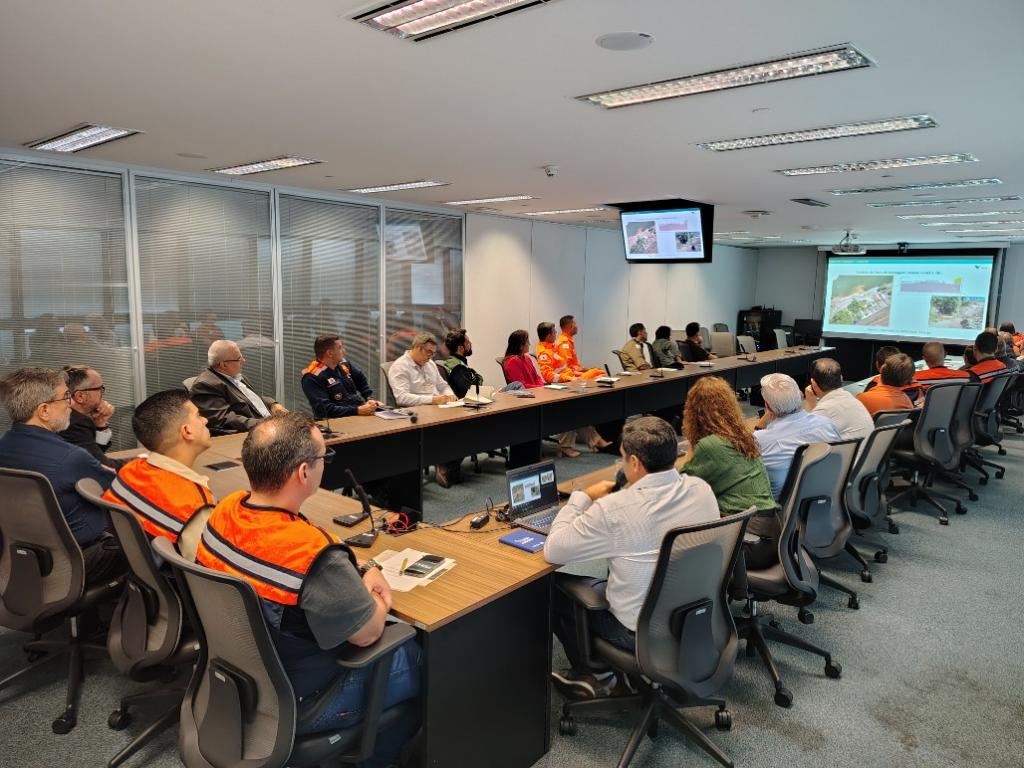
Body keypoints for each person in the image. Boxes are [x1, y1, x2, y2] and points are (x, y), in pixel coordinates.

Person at [195, 414, 421, 765]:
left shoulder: (226, 510)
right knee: (423, 652)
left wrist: (351, 567)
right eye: (323, 457)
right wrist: (376, 596)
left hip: (240, 682)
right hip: (308, 698)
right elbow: (368, 633)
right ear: (304, 472)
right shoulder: (312, 554)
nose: (325, 463)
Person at [544, 417, 718, 698]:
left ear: (635, 463)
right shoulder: (701, 490)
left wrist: (581, 497)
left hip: (637, 633)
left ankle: (598, 676)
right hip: (694, 619)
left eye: (623, 459)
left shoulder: (614, 510)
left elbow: (554, 549)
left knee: (550, 588)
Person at [0, 367, 124, 584]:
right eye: (66, 397)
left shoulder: (4, 447)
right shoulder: (70, 457)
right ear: (44, 411)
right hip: (75, 562)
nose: (70, 404)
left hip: (20, 561)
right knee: (146, 541)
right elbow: (120, 490)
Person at [680, 376, 779, 568]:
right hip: (769, 534)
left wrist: (691, 452)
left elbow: (680, 488)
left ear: (694, 412)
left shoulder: (710, 446)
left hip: (748, 543)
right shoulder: (743, 438)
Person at [103, 390, 215, 556]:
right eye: (198, 415)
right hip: (167, 570)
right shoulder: (195, 504)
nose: (205, 420)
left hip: (129, 563)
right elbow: (205, 564)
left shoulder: (130, 470)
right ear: (187, 431)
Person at [502, 330, 611, 458]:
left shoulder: (526, 358)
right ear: (520, 345)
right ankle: (570, 446)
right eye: (527, 342)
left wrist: (543, 387)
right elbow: (522, 386)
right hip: (529, 401)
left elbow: (537, 377)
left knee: (575, 408)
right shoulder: (512, 361)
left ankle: (593, 440)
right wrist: (542, 388)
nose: (529, 344)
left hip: (539, 394)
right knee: (568, 410)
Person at [388, 333, 460, 486]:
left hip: (438, 407)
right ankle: (443, 464)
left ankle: (446, 464)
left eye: (433, 353)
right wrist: (432, 400)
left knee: (464, 424)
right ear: (416, 347)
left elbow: (442, 385)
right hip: (417, 413)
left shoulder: (430, 364)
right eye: (428, 352)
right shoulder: (400, 367)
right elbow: (402, 398)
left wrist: (450, 395)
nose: (431, 356)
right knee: (450, 429)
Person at [754, 373, 841, 498]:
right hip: (826, 498)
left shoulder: (760, 440)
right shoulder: (826, 424)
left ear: (767, 406)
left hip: (780, 506)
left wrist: (762, 422)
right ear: (800, 395)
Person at [191, 340, 286, 434]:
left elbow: (251, 399)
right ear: (224, 365)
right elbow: (225, 419)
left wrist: (273, 404)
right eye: (239, 359)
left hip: (270, 424)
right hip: (255, 432)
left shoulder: (236, 376)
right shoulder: (205, 385)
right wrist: (268, 424)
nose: (243, 360)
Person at [301, 334, 382, 418]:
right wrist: (357, 410)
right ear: (330, 353)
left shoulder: (343, 364)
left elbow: (360, 380)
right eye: (340, 348)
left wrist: (369, 399)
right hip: (337, 420)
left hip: (358, 412)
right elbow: (324, 410)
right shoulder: (312, 377)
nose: (344, 350)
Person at [61, 365, 124, 469]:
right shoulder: (76, 423)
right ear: (80, 396)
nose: (103, 393)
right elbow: (101, 466)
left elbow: (93, 455)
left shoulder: (69, 417)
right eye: (100, 388)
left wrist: (100, 422)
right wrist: (140, 463)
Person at [802, 358, 874, 441]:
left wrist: (810, 404)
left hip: (848, 449)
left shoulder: (824, 410)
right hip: (868, 448)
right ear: (841, 379)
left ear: (813, 383)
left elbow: (804, 438)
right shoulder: (853, 400)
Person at [554, 315, 603, 380]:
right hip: (569, 377)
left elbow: (573, 365)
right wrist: (583, 374)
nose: (577, 326)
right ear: (570, 326)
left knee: (598, 371)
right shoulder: (564, 343)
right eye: (575, 324)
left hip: (574, 373)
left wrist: (585, 370)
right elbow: (566, 369)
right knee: (599, 373)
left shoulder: (567, 340)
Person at [440, 328, 483, 399]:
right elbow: (469, 394)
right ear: (460, 348)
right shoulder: (458, 367)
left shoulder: (453, 362)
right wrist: (479, 378)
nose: (470, 344)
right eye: (468, 342)